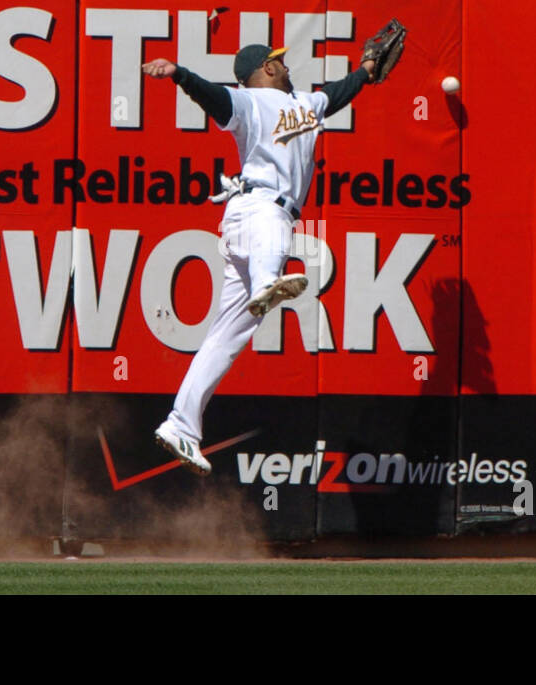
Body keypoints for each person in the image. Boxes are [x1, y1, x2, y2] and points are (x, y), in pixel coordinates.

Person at [142, 44, 379, 475]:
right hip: (259, 210)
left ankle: (181, 425)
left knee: (224, 339)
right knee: (274, 228)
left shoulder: (305, 104)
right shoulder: (248, 102)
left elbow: (339, 94)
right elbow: (213, 97)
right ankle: (269, 281)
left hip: (249, 225)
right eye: (281, 60)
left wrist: (365, 71)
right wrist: (180, 74)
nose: (288, 65)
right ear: (266, 67)